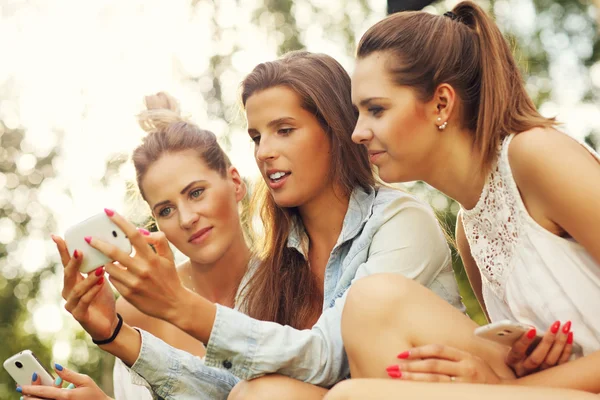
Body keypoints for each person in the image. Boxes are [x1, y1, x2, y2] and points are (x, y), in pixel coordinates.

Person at [49, 51, 463, 400]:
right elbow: (234, 391)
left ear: (335, 128)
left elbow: (328, 358)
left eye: (284, 130)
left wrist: (179, 305)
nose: (265, 151)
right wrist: (115, 335)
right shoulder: (283, 265)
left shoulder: (400, 221)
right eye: (256, 136)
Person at [324, 1, 600, 398]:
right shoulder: (470, 230)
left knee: (351, 395)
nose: (358, 132)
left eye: (376, 110)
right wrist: (522, 369)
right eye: (358, 113)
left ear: (441, 103)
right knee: (372, 303)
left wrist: (500, 387)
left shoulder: (536, 156)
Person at [19, 92, 256, 400]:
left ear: (236, 183)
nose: (186, 219)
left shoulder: (294, 281)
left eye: (196, 193)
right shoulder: (133, 311)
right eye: (166, 210)